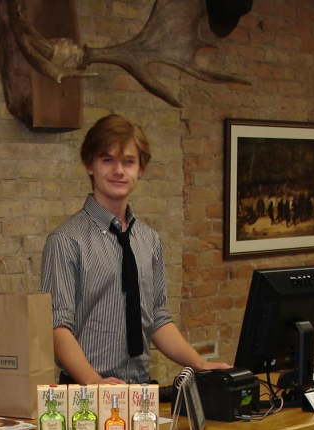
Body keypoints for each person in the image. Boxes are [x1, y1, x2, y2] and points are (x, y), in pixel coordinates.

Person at [41, 114, 229, 385]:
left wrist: (200, 364)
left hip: (141, 389)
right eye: (108, 160)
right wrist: (96, 384)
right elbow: (56, 327)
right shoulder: (66, 241)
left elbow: (157, 319)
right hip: (87, 393)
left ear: (141, 169)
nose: (119, 170)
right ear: (89, 164)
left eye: (128, 161)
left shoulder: (149, 240)